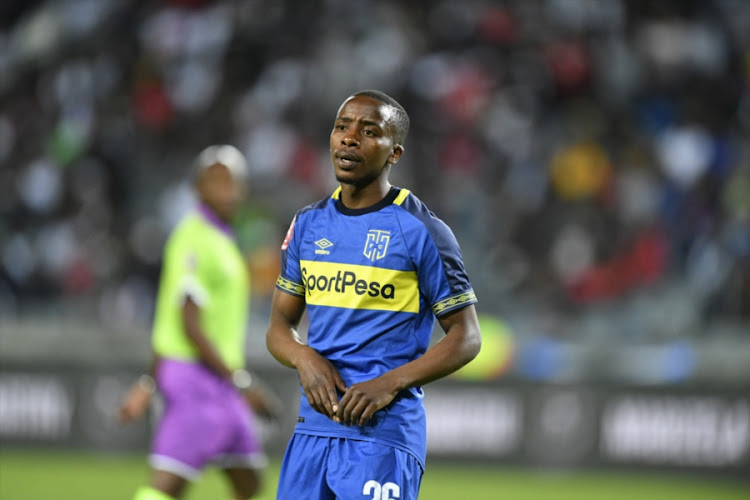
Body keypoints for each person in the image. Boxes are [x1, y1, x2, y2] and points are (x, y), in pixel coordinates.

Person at [265, 89, 482, 499]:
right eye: (342, 127)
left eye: (368, 131)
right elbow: (279, 326)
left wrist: (390, 383)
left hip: (382, 435)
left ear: (394, 153)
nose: (349, 138)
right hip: (312, 431)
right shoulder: (308, 225)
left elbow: (467, 336)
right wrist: (303, 356)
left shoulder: (422, 231)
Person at [118, 144, 279, 500]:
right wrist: (242, 382)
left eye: (231, 181)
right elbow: (188, 325)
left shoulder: (220, 238)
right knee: (168, 486)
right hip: (197, 380)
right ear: (197, 188)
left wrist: (147, 383)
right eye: (214, 181)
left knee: (249, 483)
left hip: (219, 383)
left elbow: (165, 320)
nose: (224, 190)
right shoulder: (192, 239)